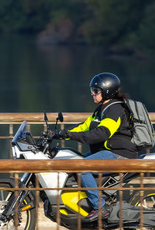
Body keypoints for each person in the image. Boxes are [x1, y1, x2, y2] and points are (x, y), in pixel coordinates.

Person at [52, 72, 137, 221]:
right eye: (92, 90)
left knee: (81, 167)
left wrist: (71, 136)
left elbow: (101, 134)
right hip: (108, 152)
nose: (92, 93)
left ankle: (100, 207)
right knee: (73, 160)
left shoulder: (115, 109)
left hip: (119, 155)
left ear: (107, 91)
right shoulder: (102, 109)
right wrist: (61, 133)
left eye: (96, 90)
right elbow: (84, 126)